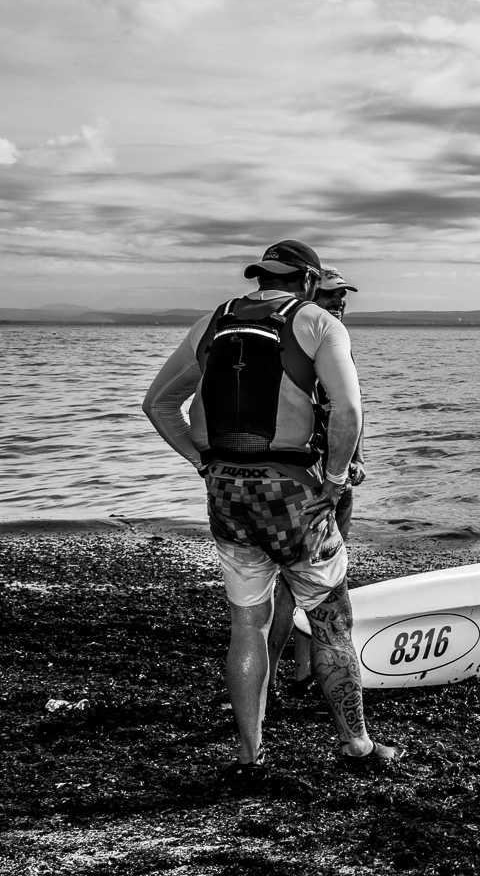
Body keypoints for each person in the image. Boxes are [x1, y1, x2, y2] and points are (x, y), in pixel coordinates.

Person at [142, 240, 402, 784]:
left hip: (228, 497)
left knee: (247, 625)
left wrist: (202, 464)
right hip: (294, 495)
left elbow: (159, 404)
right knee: (332, 623)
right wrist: (333, 482)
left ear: (261, 278)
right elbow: (348, 412)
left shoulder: (212, 322)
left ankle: (249, 755)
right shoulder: (317, 323)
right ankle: (356, 744)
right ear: (308, 282)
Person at [267, 265, 365, 701]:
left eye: (343, 296)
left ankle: (303, 670)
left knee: (324, 578)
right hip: (311, 477)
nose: (339, 303)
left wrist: (356, 458)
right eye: (330, 295)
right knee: (298, 581)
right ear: (310, 293)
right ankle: (270, 673)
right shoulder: (305, 338)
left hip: (333, 475)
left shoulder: (331, 336)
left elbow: (350, 409)